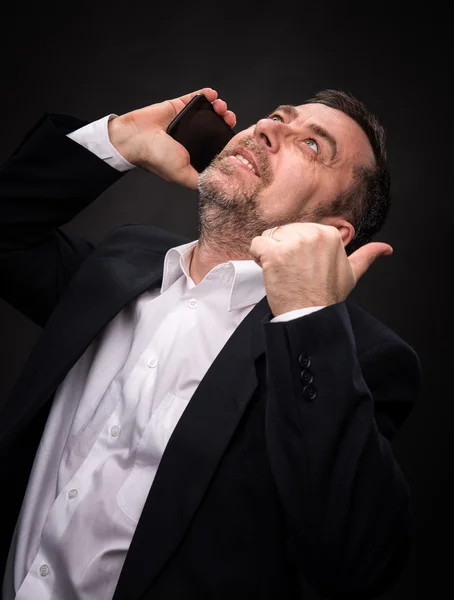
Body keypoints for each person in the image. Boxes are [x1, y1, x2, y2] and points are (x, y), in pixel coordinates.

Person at [0, 86, 421, 600]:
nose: (268, 129)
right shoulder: (122, 261)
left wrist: (310, 312)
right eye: (276, 118)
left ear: (333, 232)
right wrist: (118, 140)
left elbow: (357, 560)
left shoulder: (356, 359)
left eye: (311, 146)